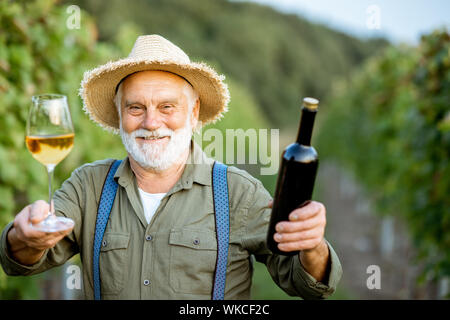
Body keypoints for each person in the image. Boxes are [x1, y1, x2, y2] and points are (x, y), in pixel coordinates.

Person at [0, 35, 342, 299]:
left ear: (193, 114)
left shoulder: (238, 193)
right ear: (119, 118)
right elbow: (20, 261)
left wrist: (312, 247)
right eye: (136, 108)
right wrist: (22, 236)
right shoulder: (88, 186)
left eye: (167, 107)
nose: (151, 122)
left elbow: (307, 286)